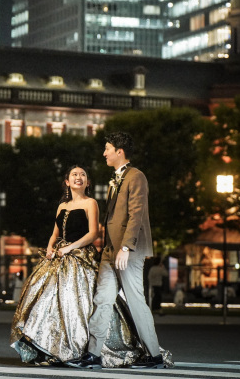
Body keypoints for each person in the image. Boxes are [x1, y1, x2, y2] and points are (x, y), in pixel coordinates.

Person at [10, 165, 143, 368]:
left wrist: (69, 248)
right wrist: (49, 249)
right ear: (67, 181)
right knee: (46, 300)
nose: (78, 177)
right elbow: (55, 233)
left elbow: (93, 234)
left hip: (81, 256)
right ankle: (51, 348)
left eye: (82, 175)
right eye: (74, 175)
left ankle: (79, 348)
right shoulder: (62, 205)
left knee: (76, 301)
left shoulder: (91, 203)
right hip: (59, 256)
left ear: (87, 182)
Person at [69, 132, 173, 370]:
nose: (104, 153)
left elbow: (136, 214)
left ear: (119, 151)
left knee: (136, 300)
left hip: (128, 251)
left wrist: (126, 246)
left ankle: (154, 356)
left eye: (107, 148)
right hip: (110, 249)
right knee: (102, 299)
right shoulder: (115, 179)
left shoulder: (136, 177)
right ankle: (93, 355)